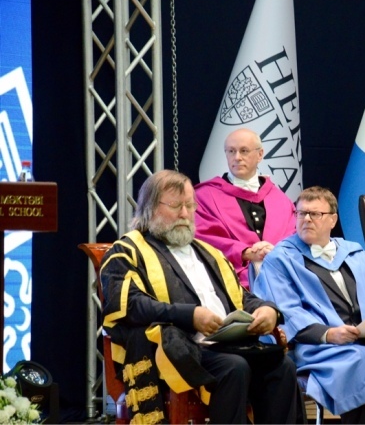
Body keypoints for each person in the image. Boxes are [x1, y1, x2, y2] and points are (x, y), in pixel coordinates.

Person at [101, 170, 304, 424]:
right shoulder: (127, 252)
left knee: (282, 368)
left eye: (189, 205)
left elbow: (240, 296)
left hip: (227, 344)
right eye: (176, 206)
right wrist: (189, 316)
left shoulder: (210, 253)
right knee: (234, 367)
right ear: (150, 208)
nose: (185, 214)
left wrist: (267, 310)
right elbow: (128, 305)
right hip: (179, 347)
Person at [253, 186, 365, 424]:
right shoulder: (281, 259)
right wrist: (328, 334)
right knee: (358, 361)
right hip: (317, 347)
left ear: (332, 220)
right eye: (301, 213)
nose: (307, 219)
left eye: (315, 214)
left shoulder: (354, 253)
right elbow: (286, 310)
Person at [194, 128, 297, 288]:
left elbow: (293, 235)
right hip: (229, 277)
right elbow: (203, 237)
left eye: (244, 151)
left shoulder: (280, 199)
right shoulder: (204, 196)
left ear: (260, 154)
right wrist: (244, 252)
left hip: (281, 275)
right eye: (231, 151)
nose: (237, 157)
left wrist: (274, 253)